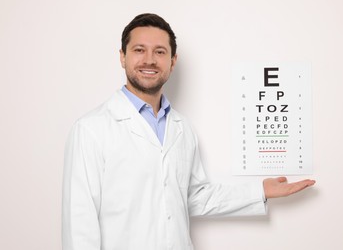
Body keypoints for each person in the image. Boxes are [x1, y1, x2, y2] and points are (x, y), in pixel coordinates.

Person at [62, 13, 315, 250]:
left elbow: (195, 198)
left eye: (159, 52)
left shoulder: (182, 128)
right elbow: (79, 224)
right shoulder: (91, 129)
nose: (149, 59)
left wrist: (260, 190)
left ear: (172, 61)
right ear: (122, 56)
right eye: (139, 50)